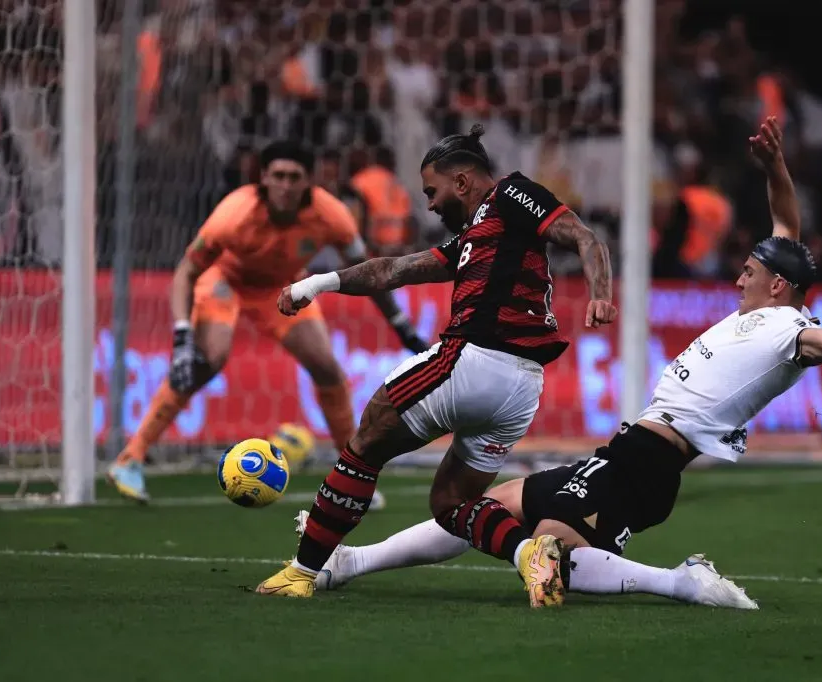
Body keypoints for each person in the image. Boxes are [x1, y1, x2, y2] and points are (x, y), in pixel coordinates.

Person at [272, 117, 822, 609]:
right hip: (624, 446)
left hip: (651, 459)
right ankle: (351, 560)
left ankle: (679, 582)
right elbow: (787, 228)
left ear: (780, 287)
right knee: (482, 507)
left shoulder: (793, 327)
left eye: (751, 269)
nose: (738, 274)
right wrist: (775, 170)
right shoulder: (761, 306)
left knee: (554, 550)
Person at [257, 124, 617, 607]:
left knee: (369, 434)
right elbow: (393, 270)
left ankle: (303, 571)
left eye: (432, 191)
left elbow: (582, 235)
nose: (428, 204)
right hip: (521, 389)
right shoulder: (476, 236)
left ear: (463, 182)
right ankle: (529, 555)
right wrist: (316, 284)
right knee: (451, 505)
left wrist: (601, 294)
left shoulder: (510, 194)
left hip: (477, 357)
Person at [107, 140, 430, 503]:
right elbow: (186, 272)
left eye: (295, 177)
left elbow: (371, 274)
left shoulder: (332, 215)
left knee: (329, 371)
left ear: (310, 181)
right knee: (206, 362)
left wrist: (401, 325)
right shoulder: (235, 213)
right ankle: (130, 458)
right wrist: (182, 337)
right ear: (263, 177)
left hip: (284, 288)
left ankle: (349, 478)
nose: (286, 185)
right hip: (226, 281)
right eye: (278, 175)